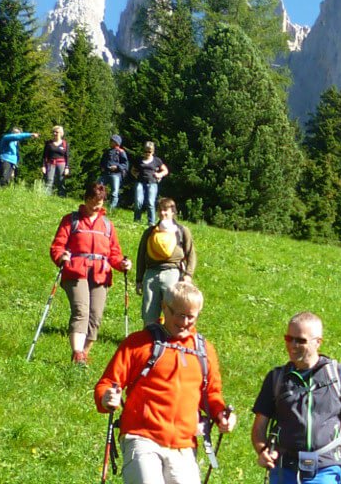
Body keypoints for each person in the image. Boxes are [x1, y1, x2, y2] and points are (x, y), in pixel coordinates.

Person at [96, 281, 237, 484]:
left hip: (184, 445)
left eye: (191, 316)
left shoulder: (205, 350)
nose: (185, 322)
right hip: (141, 438)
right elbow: (107, 383)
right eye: (180, 315)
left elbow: (211, 394)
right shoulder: (138, 343)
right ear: (164, 307)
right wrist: (107, 398)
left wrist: (221, 414)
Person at [251, 312, 341, 484]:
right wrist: (262, 450)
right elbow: (259, 426)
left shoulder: (338, 374)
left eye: (300, 340)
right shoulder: (276, 378)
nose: (292, 345)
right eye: (288, 338)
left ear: (318, 342)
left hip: (325, 467)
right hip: (284, 468)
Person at [51, 182, 131, 365]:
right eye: (93, 201)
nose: (96, 206)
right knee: (81, 310)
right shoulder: (71, 220)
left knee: (96, 315)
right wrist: (60, 257)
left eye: (100, 202)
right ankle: (77, 353)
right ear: (86, 199)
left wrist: (123, 264)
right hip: (76, 271)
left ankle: (83, 356)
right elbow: (57, 246)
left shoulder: (107, 225)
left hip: (100, 273)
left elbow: (114, 253)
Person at [136, 198, 197, 327]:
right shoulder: (150, 232)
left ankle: (170, 339)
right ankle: (149, 339)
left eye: (166, 210)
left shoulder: (182, 231)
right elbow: (141, 256)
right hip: (151, 273)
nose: (163, 213)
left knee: (173, 309)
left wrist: (188, 275)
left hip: (173, 272)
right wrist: (139, 280)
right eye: (160, 210)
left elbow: (191, 254)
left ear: (173, 212)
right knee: (149, 312)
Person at [132, 141, 170, 226]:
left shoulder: (157, 160)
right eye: (145, 151)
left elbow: (165, 170)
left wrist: (159, 174)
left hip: (152, 183)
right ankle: (137, 220)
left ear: (153, 151)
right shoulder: (139, 160)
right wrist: (135, 174)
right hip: (140, 182)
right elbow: (132, 170)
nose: (147, 153)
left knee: (150, 202)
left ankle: (151, 222)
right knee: (138, 201)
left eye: (149, 151)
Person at [102, 134, 131, 212]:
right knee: (98, 188)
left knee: (114, 192)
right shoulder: (107, 151)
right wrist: (102, 167)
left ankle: (111, 209)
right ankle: (99, 205)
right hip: (105, 173)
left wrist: (117, 167)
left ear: (116, 142)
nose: (110, 142)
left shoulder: (121, 152)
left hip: (116, 175)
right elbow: (102, 161)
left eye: (112, 141)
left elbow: (125, 165)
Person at [42, 124, 71, 196]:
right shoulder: (49, 143)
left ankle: (62, 197)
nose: (54, 133)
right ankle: (46, 196)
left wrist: (67, 167)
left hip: (61, 164)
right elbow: (44, 156)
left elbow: (67, 156)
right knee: (49, 180)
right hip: (50, 163)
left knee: (61, 181)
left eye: (56, 132)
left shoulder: (65, 143)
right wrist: (43, 166)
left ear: (61, 133)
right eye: (53, 132)